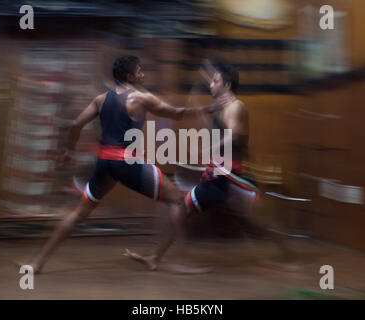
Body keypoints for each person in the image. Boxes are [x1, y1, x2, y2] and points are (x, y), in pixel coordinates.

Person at [25, 56, 212, 274]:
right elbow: (176, 114)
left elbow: (76, 124)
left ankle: (36, 263)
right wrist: (207, 108)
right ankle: (169, 260)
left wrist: (68, 150)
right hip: (127, 161)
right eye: (140, 71)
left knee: (77, 214)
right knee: (177, 201)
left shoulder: (101, 99)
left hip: (105, 162)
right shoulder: (141, 98)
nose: (143, 74)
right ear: (130, 76)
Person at [125, 62, 298, 271]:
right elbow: (224, 134)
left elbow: (233, 134)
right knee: (182, 209)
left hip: (228, 176)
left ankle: (163, 259)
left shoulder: (236, 106)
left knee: (258, 221)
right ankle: (156, 258)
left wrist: (208, 147)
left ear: (226, 85)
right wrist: (206, 117)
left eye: (215, 81)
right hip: (222, 175)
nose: (211, 85)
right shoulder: (226, 107)